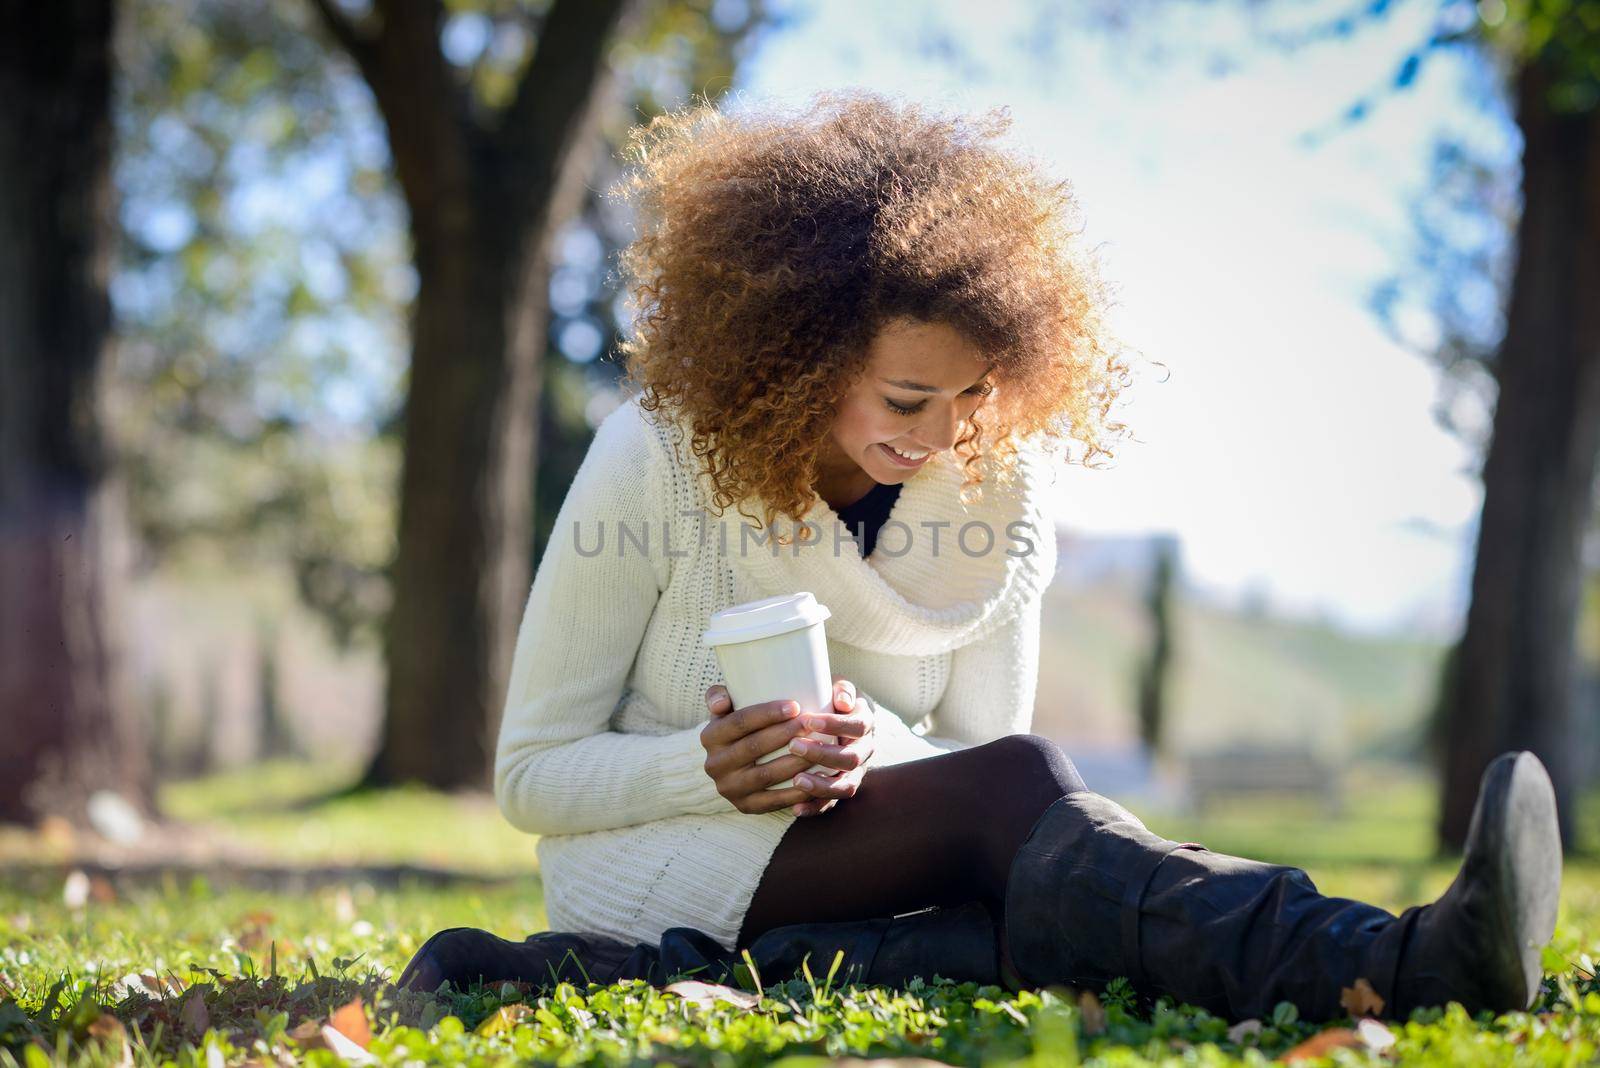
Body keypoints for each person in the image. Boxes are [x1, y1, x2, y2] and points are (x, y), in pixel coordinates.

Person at [398, 90, 1562, 1023]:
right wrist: (707, 769)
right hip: (656, 851)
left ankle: (1403, 962)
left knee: (1029, 910)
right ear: (802, 356)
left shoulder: (1000, 493)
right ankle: (1413, 957)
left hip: (879, 850)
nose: (943, 434)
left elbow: (972, 766)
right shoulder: (655, 460)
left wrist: (867, 759)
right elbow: (533, 776)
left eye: (971, 396)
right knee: (1020, 792)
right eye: (907, 395)